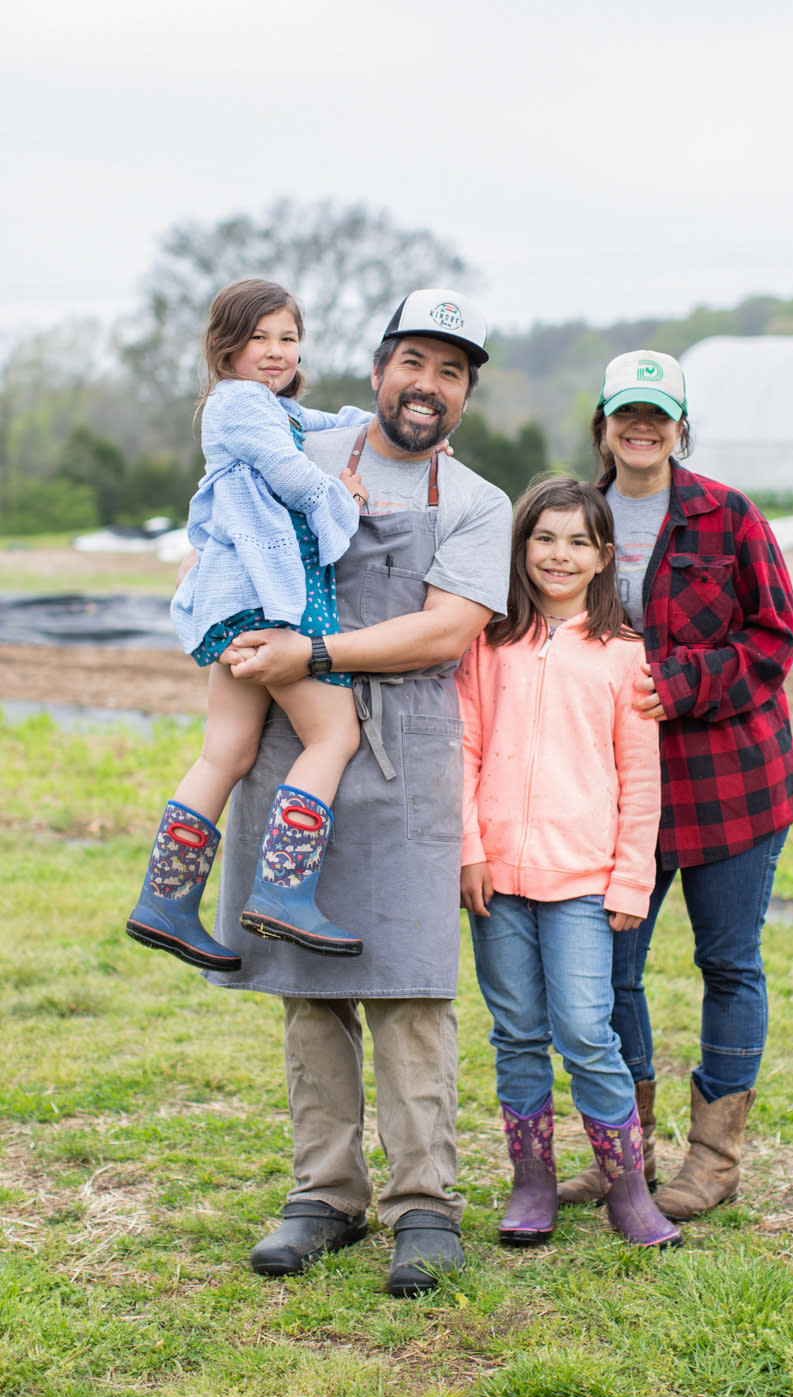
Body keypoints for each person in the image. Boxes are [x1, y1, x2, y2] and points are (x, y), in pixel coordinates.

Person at [204, 290, 513, 1296]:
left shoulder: (475, 502)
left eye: (452, 371)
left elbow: (442, 630)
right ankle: (323, 1196)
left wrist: (316, 646)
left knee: (414, 988)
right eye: (414, 361)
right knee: (303, 986)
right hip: (299, 747)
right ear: (379, 367)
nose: (428, 385)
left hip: (408, 749)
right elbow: (227, 530)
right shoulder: (307, 448)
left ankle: (424, 1206)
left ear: (465, 393)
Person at [557, 350, 793, 1220]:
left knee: (727, 961)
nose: (642, 427)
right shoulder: (574, 517)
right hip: (614, 788)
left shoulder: (727, 515)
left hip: (727, 781)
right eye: (627, 412)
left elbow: (774, 638)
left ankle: (711, 1161)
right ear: (602, 424)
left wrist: (689, 682)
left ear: (678, 426)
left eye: (658, 414)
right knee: (609, 973)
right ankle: (620, 1155)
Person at [457, 476, 681, 1251]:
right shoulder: (486, 644)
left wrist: (630, 877)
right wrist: (469, 850)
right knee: (516, 1030)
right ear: (520, 548)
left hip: (585, 879)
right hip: (498, 881)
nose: (558, 554)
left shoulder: (623, 655)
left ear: (603, 558)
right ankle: (532, 1182)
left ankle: (626, 1189)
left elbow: (640, 777)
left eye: (577, 541)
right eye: (544, 538)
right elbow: (464, 749)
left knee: (587, 1029)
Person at [127, 278, 374, 972]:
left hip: (236, 600)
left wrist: (375, 426)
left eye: (287, 338)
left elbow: (326, 424)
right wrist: (345, 499)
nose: (274, 351)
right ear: (224, 347)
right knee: (332, 733)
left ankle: (166, 901)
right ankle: (281, 892)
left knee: (225, 752)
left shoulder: (269, 406)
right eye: (258, 338)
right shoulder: (238, 406)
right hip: (268, 602)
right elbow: (293, 476)